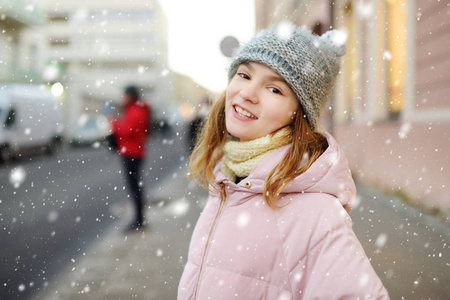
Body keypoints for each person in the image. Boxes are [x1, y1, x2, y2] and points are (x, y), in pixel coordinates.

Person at [178, 25, 389, 299]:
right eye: (244, 75)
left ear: (297, 113)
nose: (247, 93)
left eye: (275, 89)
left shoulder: (316, 212)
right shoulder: (226, 179)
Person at [110, 86, 151, 231]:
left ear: (130, 96)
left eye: (124, 95)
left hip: (132, 153)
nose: (122, 98)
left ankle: (139, 220)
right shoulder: (135, 109)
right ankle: (139, 218)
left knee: (135, 188)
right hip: (133, 152)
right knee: (135, 187)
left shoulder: (135, 111)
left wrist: (113, 123)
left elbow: (127, 130)